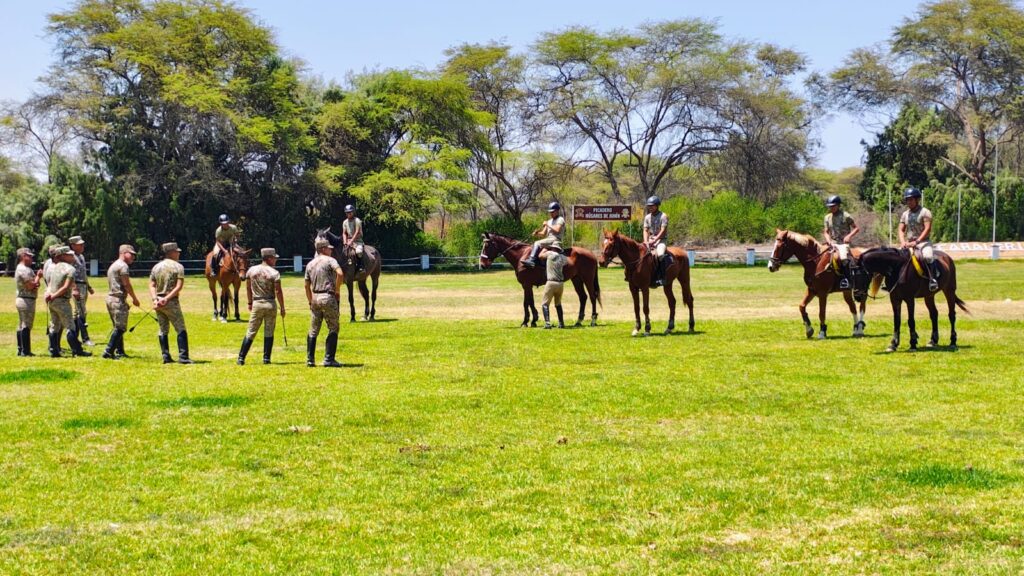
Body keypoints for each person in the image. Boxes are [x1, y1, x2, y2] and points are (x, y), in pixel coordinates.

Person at [238, 248, 286, 365]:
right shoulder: (274, 273)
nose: (275, 260)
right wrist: (282, 307)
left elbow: (248, 288)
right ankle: (266, 358)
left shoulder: (251, 270)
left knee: (251, 331)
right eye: (274, 258)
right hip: (270, 304)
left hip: (257, 303)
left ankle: (241, 357)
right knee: (269, 331)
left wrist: (250, 302)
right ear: (268, 258)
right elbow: (278, 291)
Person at [149, 242, 193, 364]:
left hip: (158, 302)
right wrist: (167, 299)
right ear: (171, 253)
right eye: (177, 252)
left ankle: (166, 356)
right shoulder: (178, 267)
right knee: (180, 328)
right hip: (171, 302)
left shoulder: (156, 267)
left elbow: (152, 285)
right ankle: (183, 357)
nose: (178, 253)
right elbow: (179, 287)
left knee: (163, 329)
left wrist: (155, 299)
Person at [305, 237, 345, 368]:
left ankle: (310, 359)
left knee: (313, 329)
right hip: (328, 296)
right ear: (323, 249)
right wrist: (337, 290)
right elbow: (340, 274)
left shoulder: (310, 264)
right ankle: (329, 359)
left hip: (315, 297)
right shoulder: (330, 260)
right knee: (333, 327)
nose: (331, 250)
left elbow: (306, 285)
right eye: (329, 248)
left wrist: (310, 300)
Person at [44, 246, 91, 357]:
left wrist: (49, 295)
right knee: (70, 326)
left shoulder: (53, 267)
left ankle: (53, 350)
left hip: (52, 301)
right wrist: (55, 295)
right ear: (63, 256)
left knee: (54, 325)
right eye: (70, 254)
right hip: (62, 300)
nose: (72, 256)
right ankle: (77, 350)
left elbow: (49, 283)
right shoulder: (70, 269)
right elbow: (65, 287)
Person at [102, 244, 142, 360]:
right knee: (120, 328)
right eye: (131, 254)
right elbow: (126, 284)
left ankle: (120, 351)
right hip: (117, 299)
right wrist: (134, 298)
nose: (133, 257)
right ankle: (108, 351)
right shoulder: (123, 266)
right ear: (124, 253)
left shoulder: (114, 265)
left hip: (111, 298)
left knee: (117, 326)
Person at [899, 187, 939, 292]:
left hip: (923, 242)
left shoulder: (925, 212)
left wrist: (917, 241)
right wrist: (903, 242)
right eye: (907, 200)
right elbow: (901, 230)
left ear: (917, 199)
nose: (909, 202)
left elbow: (927, 229)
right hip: (908, 243)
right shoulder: (905, 214)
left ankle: (932, 279)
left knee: (928, 256)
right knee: (895, 257)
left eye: (911, 199)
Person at [822, 195, 861, 290]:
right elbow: (826, 232)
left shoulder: (846, 215)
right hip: (832, 243)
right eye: (830, 206)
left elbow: (856, 228)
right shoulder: (827, 217)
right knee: (821, 255)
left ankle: (846, 280)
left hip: (843, 243)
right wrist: (828, 240)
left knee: (843, 257)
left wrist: (849, 236)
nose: (831, 208)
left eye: (833, 206)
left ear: (838, 205)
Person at [14, 247, 43, 356]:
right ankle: (25, 351)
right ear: (23, 256)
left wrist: (36, 281)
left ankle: (21, 349)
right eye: (29, 256)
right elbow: (31, 286)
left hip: (26, 298)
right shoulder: (23, 269)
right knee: (26, 325)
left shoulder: (27, 268)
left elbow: (35, 284)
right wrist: (38, 277)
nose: (31, 258)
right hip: (25, 299)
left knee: (22, 324)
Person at [68, 235, 95, 346]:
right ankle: (85, 338)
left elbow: (84, 273)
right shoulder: (71, 257)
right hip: (77, 286)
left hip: (83, 285)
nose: (82, 246)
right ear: (73, 245)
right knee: (81, 312)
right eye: (80, 245)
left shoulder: (81, 257)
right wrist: (74, 288)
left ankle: (75, 337)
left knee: (77, 313)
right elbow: (69, 275)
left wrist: (89, 286)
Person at [522, 202, 565, 268]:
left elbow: (557, 230)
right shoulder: (549, 221)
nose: (551, 213)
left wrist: (547, 225)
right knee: (540, 256)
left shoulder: (560, 219)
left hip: (555, 239)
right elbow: (543, 233)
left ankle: (531, 260)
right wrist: (537, 233)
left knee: (537, 243)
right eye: (550, 212)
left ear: (557, 211)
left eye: (552, 212)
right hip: (549, 240)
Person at [643, 196, 672, 287]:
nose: (650, 207)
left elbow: (663, 231)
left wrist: (655, 240)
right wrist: (646, 241)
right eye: (649, 206)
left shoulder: (663, 216)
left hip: (661, 240)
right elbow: (645, 230)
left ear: (657, 206)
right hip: (650, 240)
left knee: (660, 254)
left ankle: (662, 277)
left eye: (652, 206)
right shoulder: (647, 217)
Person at [540, 248, 568, 329]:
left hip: (551, 283)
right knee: (558, 304)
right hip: (560, 284)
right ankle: (561, 323)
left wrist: (544, 249)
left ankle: (547, 323)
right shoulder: (563, 258)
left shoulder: (550, 254)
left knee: (545, 304)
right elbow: (565, 262)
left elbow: (540, 256)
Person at [210, 214, 241, 278]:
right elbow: (217, 241)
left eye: (226, 223)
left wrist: (236, 240)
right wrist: (224, 250)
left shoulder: (233, 227)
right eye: (223, 223)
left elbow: (237, 235)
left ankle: (242, 268)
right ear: (221, 224)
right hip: (221, 243)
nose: (225, 224)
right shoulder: (218, 230)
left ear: (228, 222)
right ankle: (213, 270)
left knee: (241, 251)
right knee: (215, 254)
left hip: (231, 242)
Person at [341, 204, 369, 272]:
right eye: (347, 212)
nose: (349, 214)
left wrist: (351, 241)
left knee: (358, 251)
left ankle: (361, 266)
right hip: (348, 240)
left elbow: (357, 232)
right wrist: (345, 242)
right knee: (341, 251)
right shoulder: (345, 222)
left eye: (350, 212)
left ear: (353, 212)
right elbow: (344, 233)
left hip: (357, 240)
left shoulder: (357, 220)